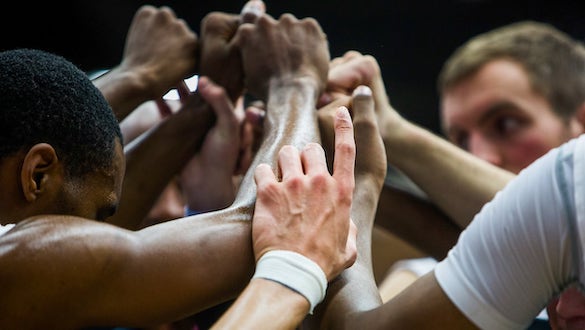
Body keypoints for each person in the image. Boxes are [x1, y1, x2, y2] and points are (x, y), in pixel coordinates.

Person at [0, 7, 381, 328]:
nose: (106, 234)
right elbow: (279, 221)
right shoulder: (17, 261)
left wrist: (192, 105)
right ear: (36, 175)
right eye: (99, 216)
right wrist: (293, 82)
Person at [307, 20, 585, 329]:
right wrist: (334, 171)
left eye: (506, 124)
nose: (480, 155)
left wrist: (390, 132)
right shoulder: (426, 275)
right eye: (461, 139)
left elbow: (547, 214)